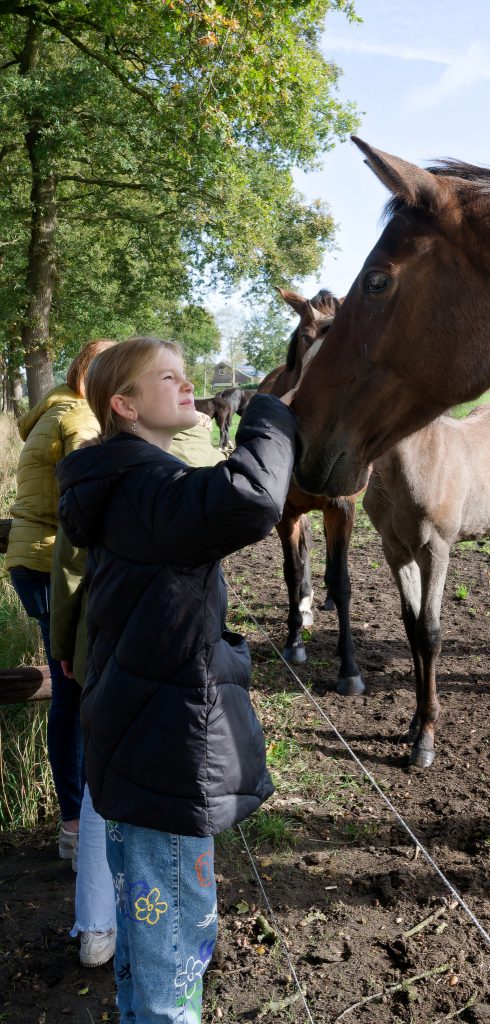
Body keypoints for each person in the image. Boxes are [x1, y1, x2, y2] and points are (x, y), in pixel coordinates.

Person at [56, 337, 296, 1020]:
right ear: (125, 405)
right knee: (174, 957)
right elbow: (253, 496)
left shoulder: (121, 484)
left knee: (146, 949)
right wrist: (269, 411)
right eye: (168, 377)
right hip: (164, 755)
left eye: (187, 374)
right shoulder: (147, 489)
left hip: (135, 742)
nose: (188, 385)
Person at [50, 412, 229, 969]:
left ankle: (98, 928)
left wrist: (63, 641)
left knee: (101, 788)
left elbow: (69, 568)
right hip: (167, 652)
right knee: (165, 789)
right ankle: (176, 941)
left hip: (103, 646)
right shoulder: (193, 463)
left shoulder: (95, 472)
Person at [6, 339, 115, 864]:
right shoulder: (81, 419)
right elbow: (87, 492)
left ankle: (78, 821)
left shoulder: (54, 409)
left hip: (31, 559)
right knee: (73, 689)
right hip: (52, 561)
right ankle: (77, 825)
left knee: (72, 685)